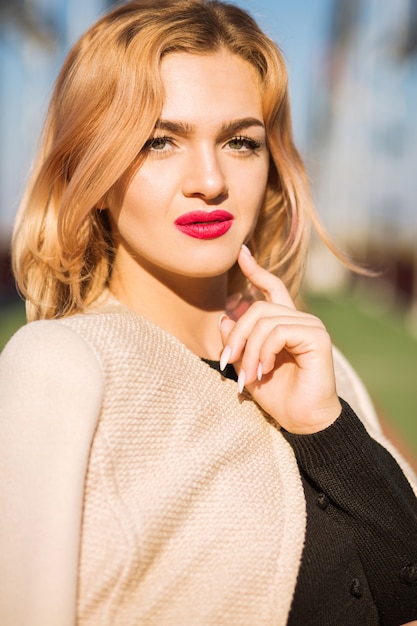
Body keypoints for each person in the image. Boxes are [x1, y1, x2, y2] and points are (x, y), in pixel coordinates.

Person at [0, 1, 416, 624]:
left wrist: (328, 430)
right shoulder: (61, 367)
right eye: (159, 140)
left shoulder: (325, 371)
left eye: (240, 141)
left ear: (271, 163)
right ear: (89, 163)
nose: (210, 179)